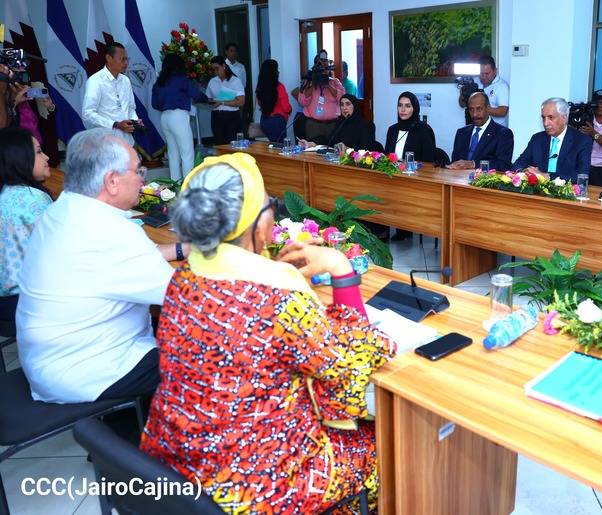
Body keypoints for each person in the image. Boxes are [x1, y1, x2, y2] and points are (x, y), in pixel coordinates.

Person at [140, 153, 395, 514]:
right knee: (388, 443)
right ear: (259, 226)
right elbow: (348, 366)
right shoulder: (279, 299)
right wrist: (339, 267)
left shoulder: (184, 277)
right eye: (270, 206)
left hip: (174, 465)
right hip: (255, 484)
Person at [16, 128, 188, 404]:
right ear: (112, 181)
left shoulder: (64, 208)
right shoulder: (110, 233)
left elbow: (119, 261)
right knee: (214, 353)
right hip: (91, 366)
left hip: (50, 356)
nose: (142, 179)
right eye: (138, 171)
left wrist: (182, 248)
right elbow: (186, 298)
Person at [0, 127, 52, 322]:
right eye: (39, 152)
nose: (46, 157)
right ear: (19, 158)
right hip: (29, 300)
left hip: (6, 300)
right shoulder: (33, 199)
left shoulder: (5, 192)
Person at [385, 91, 437, 241]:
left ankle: (405, 228)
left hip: (415, 178)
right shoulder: (393, 130)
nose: (403, 109)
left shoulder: (423, 130)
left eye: (407, 106)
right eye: (400, 105)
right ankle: (382, 228)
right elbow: (387, 155)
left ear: (414, 109)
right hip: (393, 176)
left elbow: (428, 161)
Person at [151, 53, 208, 180]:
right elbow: (196, 95)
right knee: (187, 154)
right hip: (178, 116)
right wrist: (206, 98)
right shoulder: (181, 79)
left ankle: (175, 184)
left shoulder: (159, 82)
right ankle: (188, 185)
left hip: (164, 117)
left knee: (173, 154)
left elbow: (154, 104)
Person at [512, 97, 593, 182]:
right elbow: (517, 165)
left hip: (565, 189)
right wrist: (524, 172)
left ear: (564, 118)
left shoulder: (581, 141)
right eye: (543, 118)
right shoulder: (537, 139)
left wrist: (547, 176)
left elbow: (582, 176)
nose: (545, 123)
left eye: (551, 118)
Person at [82, 42, 142, 146]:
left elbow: (131, 107)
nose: (126, 63)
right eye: (122, 59)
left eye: (127, 59)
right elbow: (87, 113)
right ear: (109, 58)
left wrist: (135, 121)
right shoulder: (96, 81)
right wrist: (115, 124)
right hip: (107, 142)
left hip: (128, 141)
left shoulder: (125, 80)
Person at [447, 92, 514, 171]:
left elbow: (503, 165)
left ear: (488, 107)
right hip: (459, 177)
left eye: (479, 109)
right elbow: (455, 161)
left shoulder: (503, 133)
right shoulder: (461, 133)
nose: (475, 114)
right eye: (471, 110)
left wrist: (474, 164)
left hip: (485, 178)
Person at [300, 93, 379, 152]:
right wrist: (311, 144)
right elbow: (329, 141)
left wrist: (347, 149)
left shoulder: (367, 126)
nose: (344, 108)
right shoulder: (341, 123)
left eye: (348, 104)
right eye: (341, 105)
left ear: (355, 106)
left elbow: (366, 152)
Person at [298, 50, 345, 145]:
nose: (323, 66)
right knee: (313, 150)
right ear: (315, 66)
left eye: (325, 63)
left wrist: (328, 86)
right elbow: (302, 101)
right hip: (314, 125)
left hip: (333, 125)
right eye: (320, 64)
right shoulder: (308, 82)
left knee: (333, 150)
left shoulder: (335, 82)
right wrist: (312, 84)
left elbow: (342, 98)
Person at [458, 55, 510, 126]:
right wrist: (463, 94)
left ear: (495, 71)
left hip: (496, 128)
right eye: (481, 73)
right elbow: (462, 105)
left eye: (487, 73)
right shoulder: (474, 82)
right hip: (476, 126)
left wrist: (482, 109)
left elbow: (503, 112)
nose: (484, 77)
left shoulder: (502, 86)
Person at [206, 55, 245, 146]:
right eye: (213, 69)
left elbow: (241, 102)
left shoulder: (235, 81)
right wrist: (209, 102)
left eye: (217, 68)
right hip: (216, 116)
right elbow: (208, 97)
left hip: (231, 116)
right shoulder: (212, 81)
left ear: (223, 66)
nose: (215, 72)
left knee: (232, 144)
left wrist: (222, 102)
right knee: (219, 144)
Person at [256, 59, 292, 142]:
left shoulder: (260, 86)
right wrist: (290, 110)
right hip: (277, 121)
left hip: (264, 120)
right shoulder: (279, 87)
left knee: (272, 145)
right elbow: (285, 106)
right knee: (280, 147)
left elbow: (259, 103)